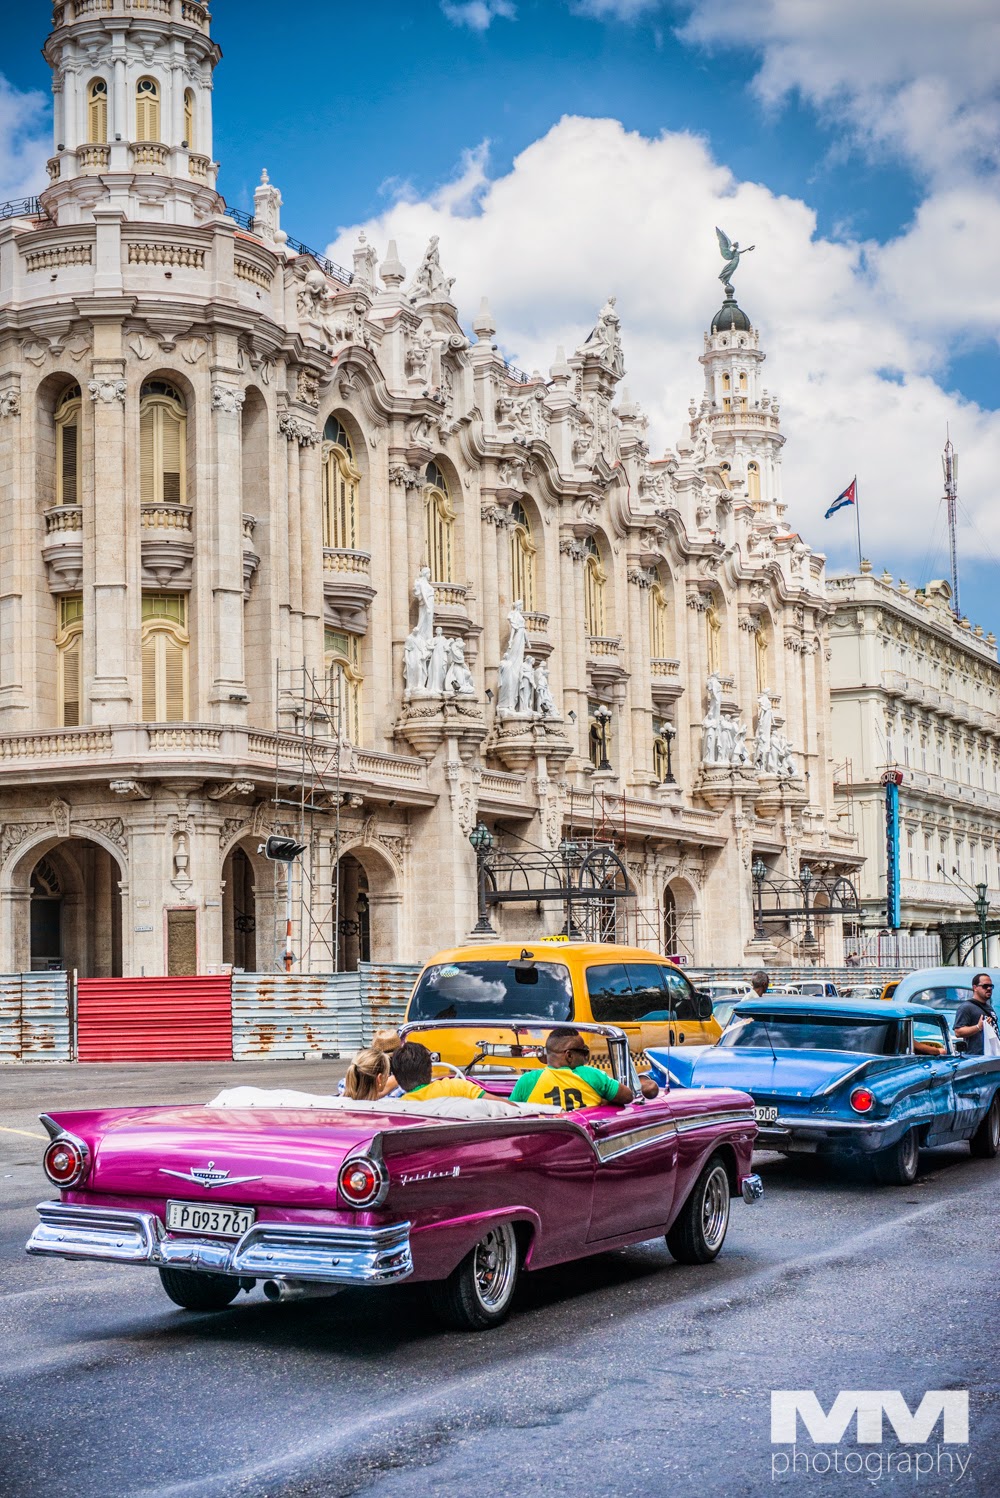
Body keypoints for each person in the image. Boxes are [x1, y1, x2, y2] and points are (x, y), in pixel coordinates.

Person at [509, 1027, 658, 1110]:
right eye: (584, 1052)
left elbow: (510, 1112)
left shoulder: (527, 1081)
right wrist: (605, 1100)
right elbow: (627, 1096)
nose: (586, 1057)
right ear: (569, 1055)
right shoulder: (591, 1075)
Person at [390, 1041, 487, 1101]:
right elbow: (496, 1106)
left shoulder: (399, 1108)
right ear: (430, 1068)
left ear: (397, 1078)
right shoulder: (458, 1087)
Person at [954, 974, 999, 1056]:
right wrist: (978, 1027)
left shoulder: (989, 1007)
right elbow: (958, 1032)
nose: (989, 988)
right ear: (975, 988)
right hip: (976, 1058)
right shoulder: (966, 1007)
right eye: (985, 986)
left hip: (992, 1056)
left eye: (991, 986)